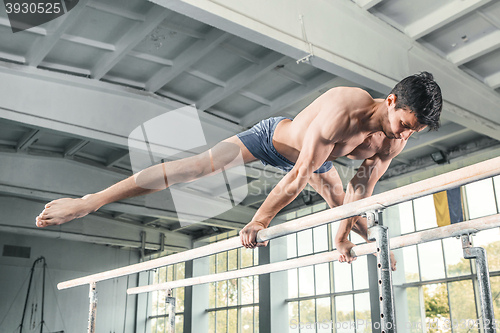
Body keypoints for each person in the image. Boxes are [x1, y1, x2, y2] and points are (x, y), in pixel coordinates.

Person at [36, 72, 442, 270]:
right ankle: (89, 202)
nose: (406, 135)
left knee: (353, 215)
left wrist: (340, 233)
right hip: (275, 140)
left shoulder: (394, 140)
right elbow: (298, 175)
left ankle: (376, 245)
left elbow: (361, 187)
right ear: (390, 101)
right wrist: (259, 220)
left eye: (415, 131)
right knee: (192, 169)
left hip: (319, 162)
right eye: (406, 124)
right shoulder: (345, 107)